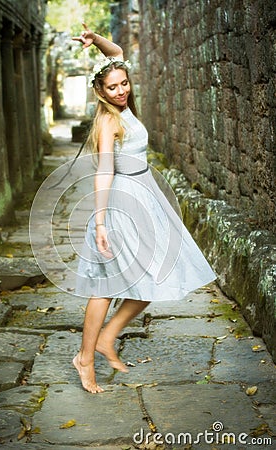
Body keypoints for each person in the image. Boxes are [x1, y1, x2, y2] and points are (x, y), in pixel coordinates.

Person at [71, 24, 216, 393]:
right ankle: (85, 359)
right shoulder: (108, 120)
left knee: (152, 278)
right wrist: (100, 222)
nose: (121, 91)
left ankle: (107, 339)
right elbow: (104, 171)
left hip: (145, 196)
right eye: (113, 87)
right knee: (105, 285)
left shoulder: (121, 94)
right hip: (122, 203)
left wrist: (96, 41)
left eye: (124, 84)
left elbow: (116, 51)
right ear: (99, 92)